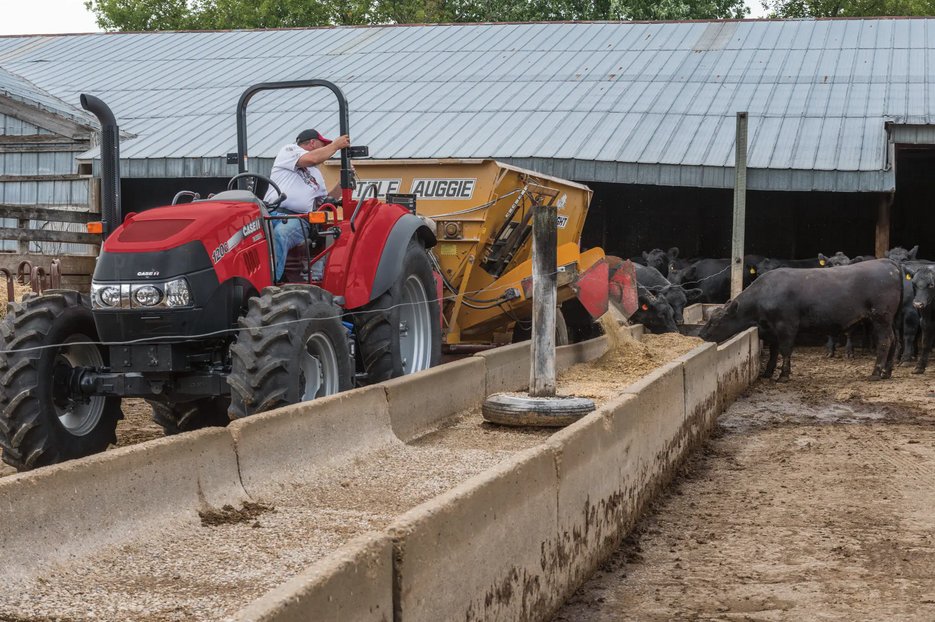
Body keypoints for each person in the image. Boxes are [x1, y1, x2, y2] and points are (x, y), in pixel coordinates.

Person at [264, 128, 351, 281]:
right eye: (322, 145)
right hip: (269, 213)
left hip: (298, 219)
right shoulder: (289, 151)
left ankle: (269, 282)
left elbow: (325, 200)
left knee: (281, 234)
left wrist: (344, 181)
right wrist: (336, 145)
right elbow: (311, 159)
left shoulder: (317, 174)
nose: (326, 150)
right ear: (312, 143)